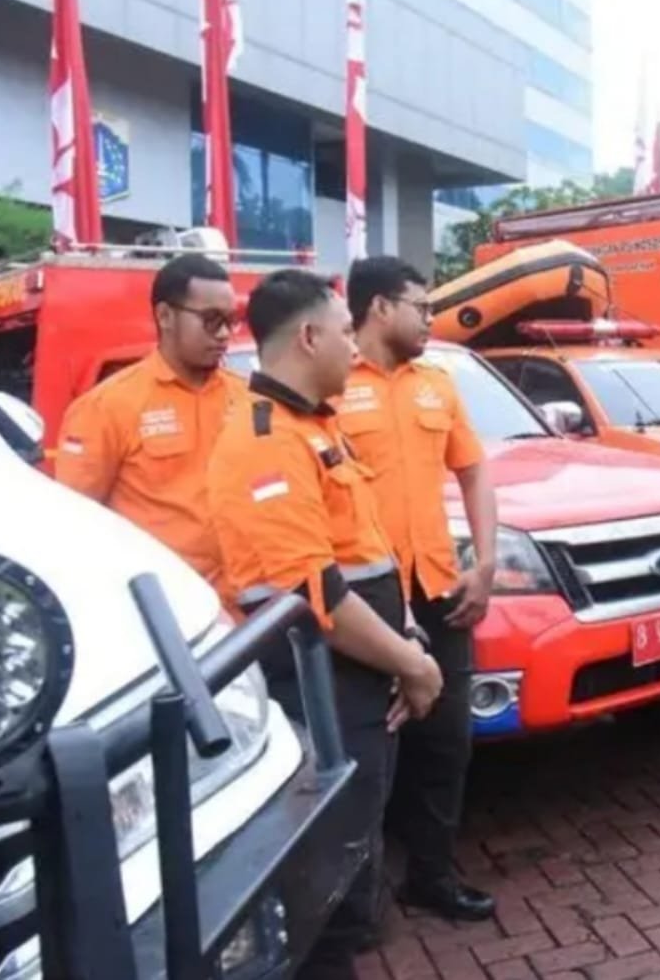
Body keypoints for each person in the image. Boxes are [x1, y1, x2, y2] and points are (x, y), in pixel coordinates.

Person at [206, 269, 444, 979]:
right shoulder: (264, 442)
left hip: (367, 679)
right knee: (324, 891)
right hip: (324, 690)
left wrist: (407, 643)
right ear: (308, 336)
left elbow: (364, 550)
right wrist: (411, 661)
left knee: (357, 858)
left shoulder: (318, 425)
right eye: (345, 333)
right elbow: (316, 596)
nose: (353, 347)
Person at [337, 256, 499, 923]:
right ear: (379, 308)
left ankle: (431, 873)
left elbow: (474, 470)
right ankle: (355, 896)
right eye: (420, 306)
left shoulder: (438, 383)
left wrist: (484, 563)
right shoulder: (329, 381)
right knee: (365, 749)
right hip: (364, 595)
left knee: (446, 740)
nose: (430, 317)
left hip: (437, 585)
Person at [56, 253, 246, 596]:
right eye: (211, 319)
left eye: (230, 321)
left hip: (247, 608)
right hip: (166, 611)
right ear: (165, 316)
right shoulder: (108, 406)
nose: (223, 334)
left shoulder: (246, 398)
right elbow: (74, 523)